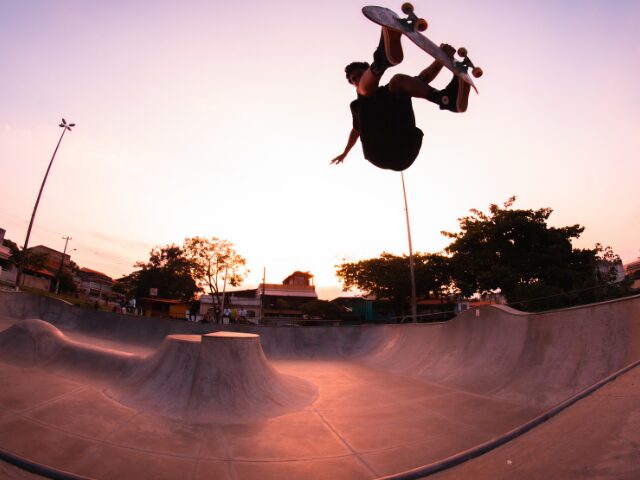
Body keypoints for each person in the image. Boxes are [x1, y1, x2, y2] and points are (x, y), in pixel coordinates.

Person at [331, 27, 471, 172]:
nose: (358, 79)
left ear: (366, 71)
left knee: (399, 81)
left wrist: (441, 58)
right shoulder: (357, 106)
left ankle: (447, 100)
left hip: (405, 147)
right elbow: (355, 131)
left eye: (360, 74)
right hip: (379, 152)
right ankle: (381, 60)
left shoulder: (391, 91)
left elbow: (424, 78)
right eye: (354, 79)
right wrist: (345, 153)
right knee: (364, 96)